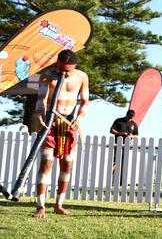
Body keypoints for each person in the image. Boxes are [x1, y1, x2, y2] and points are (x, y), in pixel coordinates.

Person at [33, 50, 90, 218]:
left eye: (68, 70)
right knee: (46, 163)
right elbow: (41, 99)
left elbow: (85, 101)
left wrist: (79, 118)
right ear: (57, 63)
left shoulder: (81, 77)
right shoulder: (47, 75)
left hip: (69, 123)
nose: (64, 73)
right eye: (61, 68)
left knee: (67, 164)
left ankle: (59, 204)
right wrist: (39, 114)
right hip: (50, 122)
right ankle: (40, 206)